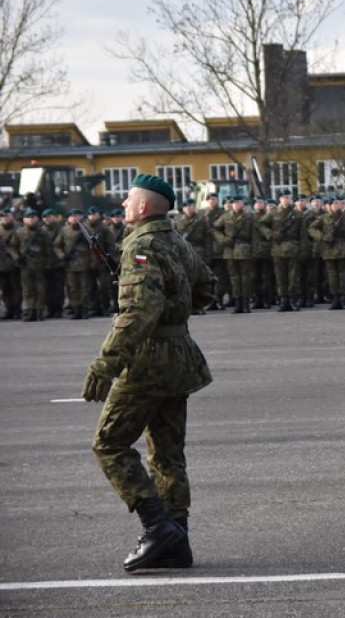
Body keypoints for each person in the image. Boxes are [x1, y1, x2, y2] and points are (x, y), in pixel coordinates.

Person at [82, 174, 216, 572]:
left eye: (128, 199)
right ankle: (178, 539)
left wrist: (104, 365)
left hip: (147, 362)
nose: (123, 204)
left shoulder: (140, 245)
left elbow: (138, 312)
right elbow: (206, 287)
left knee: (109, 443)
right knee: (167, 453)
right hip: (179, 357)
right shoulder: (176, 241)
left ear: (143, 207)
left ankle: (157, 527)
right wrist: (175, 310)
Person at [7, 208, 50, 321]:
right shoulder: (20, 232)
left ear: (37, 219)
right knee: (28, 289)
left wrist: (47, 263)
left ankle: (40, 310)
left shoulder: (43, 232)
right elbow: (12, 247)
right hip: (25, 266)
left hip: (39, 265)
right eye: (28, 217)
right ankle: (31, 310)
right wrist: (17, 258)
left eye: (33, 217)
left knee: (41, 289)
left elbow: (48, 249)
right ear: (24, 219)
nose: (31, 220)